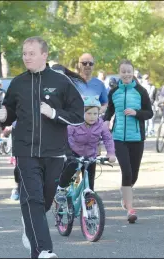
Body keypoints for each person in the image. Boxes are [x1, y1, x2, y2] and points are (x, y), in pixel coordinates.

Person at [0, 36, 84, 259]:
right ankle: (44, 251)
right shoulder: (18, 82)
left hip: (54, 152)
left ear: (44, 55)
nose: (26, 57)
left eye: (31, 53)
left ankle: (30, 225)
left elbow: (78, 116)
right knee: (33, 199)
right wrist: (4, 115)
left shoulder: (62, 82)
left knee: (44, 200)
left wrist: (54, 114)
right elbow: (9, 111)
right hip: (25, 151)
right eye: (24, 53)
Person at [103, 59, 153, 224]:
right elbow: (110, 110)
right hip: (118, 137)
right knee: (127, 172)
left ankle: (125, 193)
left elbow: (149, 113)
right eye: (123, 71)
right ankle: (130, 209)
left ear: (133, 73)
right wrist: (105, 121)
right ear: (119, 73)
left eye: (128, 71)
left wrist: (136, 112)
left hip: (137, 138)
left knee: (134, 173)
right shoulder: (114, 92)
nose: (126, 74)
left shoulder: (141, 91)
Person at [54, 96, 116, 205]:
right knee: (70, 168)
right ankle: (61, 189)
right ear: (82, 113)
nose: (92, 117)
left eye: (95, 114)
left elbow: (108, 139)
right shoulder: (75, 123)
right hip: (73, 153)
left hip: (90, 155)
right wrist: (67, 153)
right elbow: (64, 137)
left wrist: (110, 153)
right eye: (89, 113)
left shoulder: (101, 125)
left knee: (90, 183)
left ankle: (89, 208)